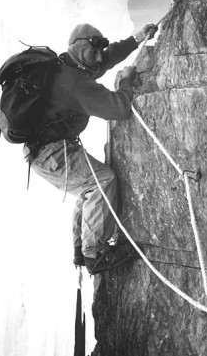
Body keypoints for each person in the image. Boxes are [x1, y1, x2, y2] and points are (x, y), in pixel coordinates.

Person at [23, 22, 157, 275]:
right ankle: (94, 254)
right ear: (80, 48)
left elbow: (104, 59)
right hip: (51, 153)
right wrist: (126, 83)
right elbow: (118, 108)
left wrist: (135, 40)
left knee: (89, 187)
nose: (97, 58)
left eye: (98, 52)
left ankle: (80, 247)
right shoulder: (73, 82)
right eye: (93, 52)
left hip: (46, 150)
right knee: (100, 182)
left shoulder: (69, 66)